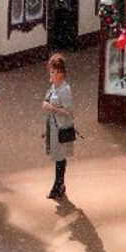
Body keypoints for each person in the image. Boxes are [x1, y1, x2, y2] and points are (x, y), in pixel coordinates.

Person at [40, 54, 76, 200]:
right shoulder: (54, 87)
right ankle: (60, 185)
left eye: (54, 71)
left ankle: (58, 186)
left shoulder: (65, 90)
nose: (51, 74)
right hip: (54, 127)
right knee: (58, 156)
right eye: (51, 71)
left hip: (61, 128)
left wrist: (51, 108)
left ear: (61, 73)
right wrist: (46, 130)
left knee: (60, 157)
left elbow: (69, 112)